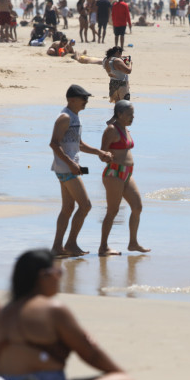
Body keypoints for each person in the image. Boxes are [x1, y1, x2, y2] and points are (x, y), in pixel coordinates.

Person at [0, 249, 137, 380]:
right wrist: (119, 375)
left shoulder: (6, 311)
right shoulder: (53, 309)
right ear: (44, 275)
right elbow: (90, 353)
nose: (61, 278)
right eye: (58, 272)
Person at [50, 85, 113, 257]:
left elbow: (79, 144)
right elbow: (53, 144)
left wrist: (99, 152)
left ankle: (57, 247)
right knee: (85, 206)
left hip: (69, 167)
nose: (86, 102)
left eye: (87, 98)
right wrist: (71, 164)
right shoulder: (64, 117)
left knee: (68, 208)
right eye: (83, 98)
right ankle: (70, 244)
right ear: (72, 100)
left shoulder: (74, 116)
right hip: (66, 168)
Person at [98, 101, 151, 256]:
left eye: (133, 115)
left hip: (127, 174)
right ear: (119, 114)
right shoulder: (111, 130)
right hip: (114, 174)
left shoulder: (125, 129)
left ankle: (133, 243)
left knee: (137, 207)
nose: (132, 117)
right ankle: (103, 247)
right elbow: (102, 154)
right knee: (112, 211)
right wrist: (106, 156)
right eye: (129, 115)